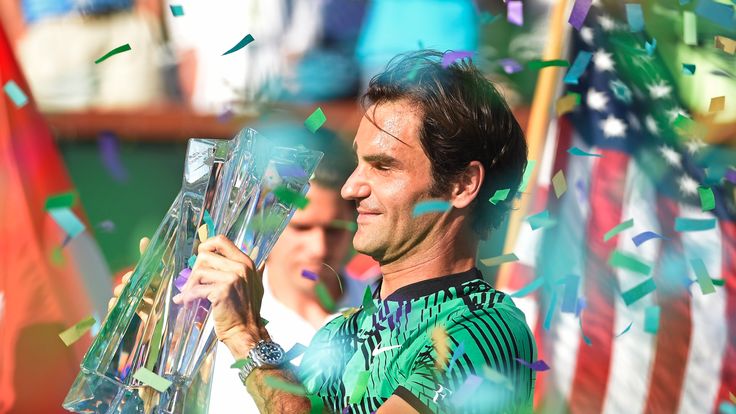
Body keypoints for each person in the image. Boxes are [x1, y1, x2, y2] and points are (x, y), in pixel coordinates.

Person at [172, 50, 537, 413]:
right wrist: (159, 362)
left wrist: (247, 336)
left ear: (462, 184)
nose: (351, 188)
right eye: (360, 162)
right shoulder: (339, 333)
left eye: (383, 167)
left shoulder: (483, 330)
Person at [110, 118, 363, 413]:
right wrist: (148, 356)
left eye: (333, 229)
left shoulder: (387, 311)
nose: (319, 247)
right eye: (302, 228)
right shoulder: (203, 320)